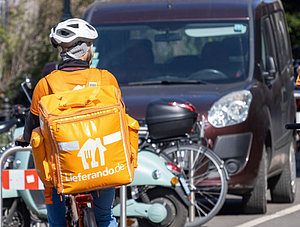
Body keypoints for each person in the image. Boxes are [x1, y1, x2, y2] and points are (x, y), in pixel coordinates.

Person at [15, 18, 119, 227]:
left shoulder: (46, 85)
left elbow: (33, 120)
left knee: (57, 222)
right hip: (102, 167)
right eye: (91, 46)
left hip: (62, 170)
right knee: (105, 218)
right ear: (85, 48)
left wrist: (26, 138)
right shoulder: (106, 79)